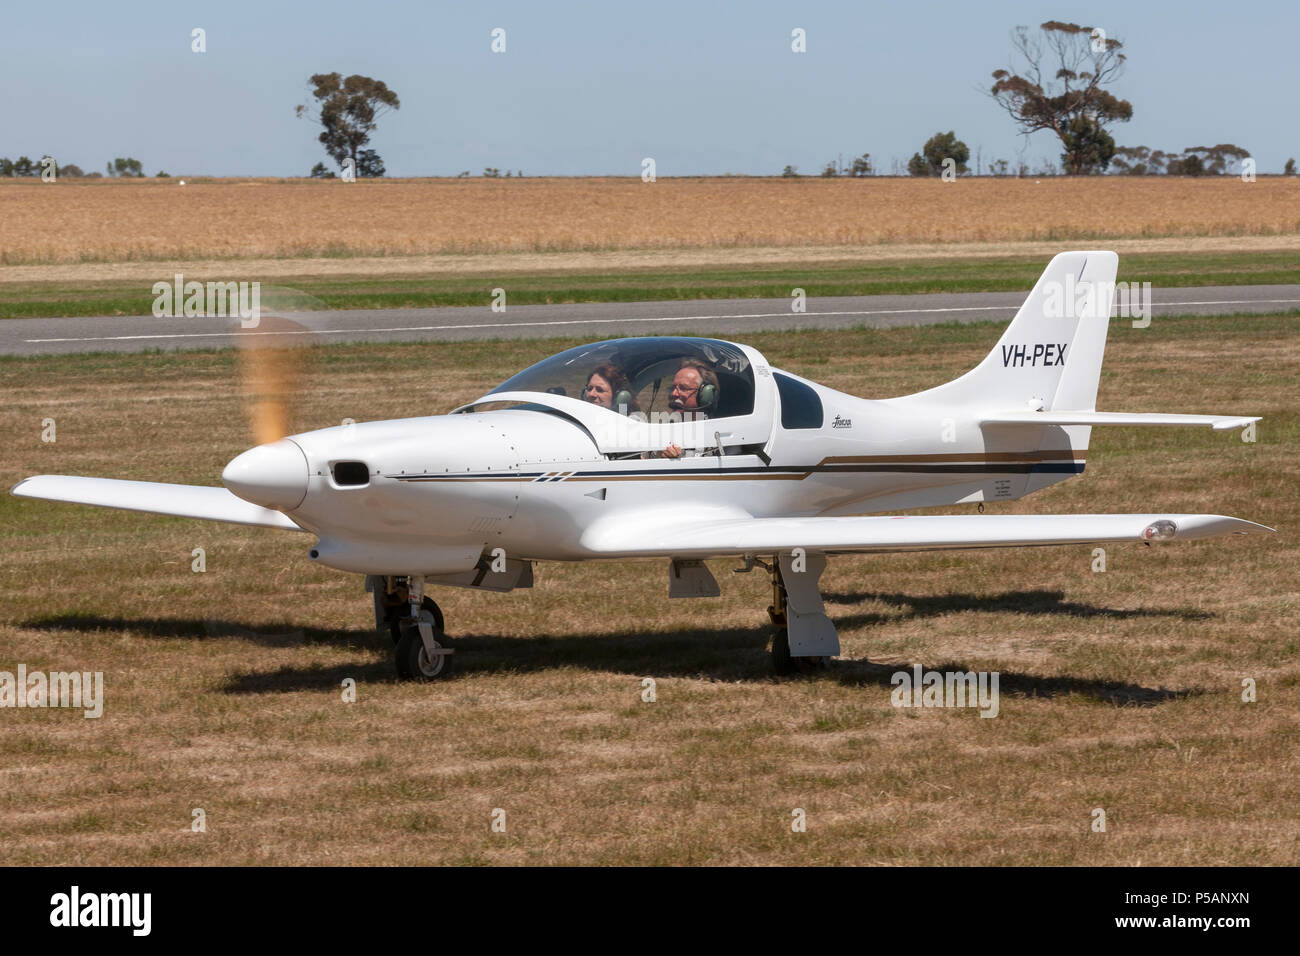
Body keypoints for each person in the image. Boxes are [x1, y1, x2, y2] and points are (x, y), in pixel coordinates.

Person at [656, 361, 720, 459]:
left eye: (684, 388)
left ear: (705, 396)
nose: (673, 393)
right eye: (673, 388)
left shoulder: (718, 435)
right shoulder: (662, 431)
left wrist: (680, 459)